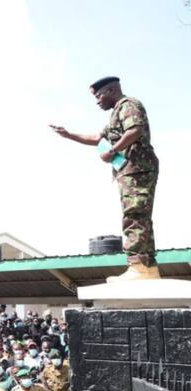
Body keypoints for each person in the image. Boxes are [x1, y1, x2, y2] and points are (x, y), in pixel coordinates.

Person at [50, 76, 160, 281]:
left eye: (99, 96)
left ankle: (138, 267)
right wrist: (68, 135)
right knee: (140, 217)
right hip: (131, 170)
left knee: (134, 216)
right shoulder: (115, 113)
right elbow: (96, 139)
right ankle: (148, 267)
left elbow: (134, 130)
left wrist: (112, 151)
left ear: (111, 90)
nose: (98, 101)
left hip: (138, 169)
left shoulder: (128, 105)